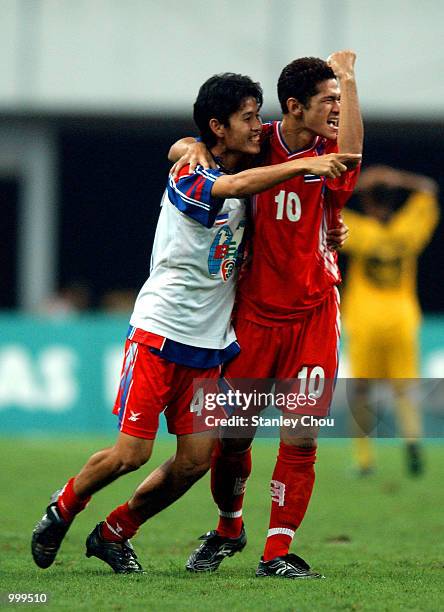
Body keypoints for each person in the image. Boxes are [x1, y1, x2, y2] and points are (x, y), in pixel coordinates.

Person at [31, 72, 359, 574]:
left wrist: (328, 221)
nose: (258, 125)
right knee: (132, 454)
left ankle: (115, 531)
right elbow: (231, 184)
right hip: (161, 331)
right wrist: (298, 163)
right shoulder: (192, 174)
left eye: (257, 115)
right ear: (217, 127)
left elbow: (284, 194)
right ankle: (63, 507)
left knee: (196, 460)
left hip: (212, 341)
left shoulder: (251, 160)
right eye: (248, 118)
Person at [170, 50, 363, 579]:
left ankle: (277, 551)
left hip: (315, 314)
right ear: (295, 107)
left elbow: (350, 154)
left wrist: (348, 77)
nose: (338, 109)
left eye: (342, 101)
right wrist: (186, 145)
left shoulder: (331, 153)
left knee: (301, 436)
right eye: (330, 100)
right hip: (253, 315)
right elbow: (200, 153)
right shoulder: (259, 145)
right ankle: (229, 527)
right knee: (232, 438)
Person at [340, 165, 439, 476]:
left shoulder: (359, 231)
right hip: (401, 317)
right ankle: (412, 441)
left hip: (366, 319)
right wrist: (402, 179)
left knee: (360, 391)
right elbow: (428, 189)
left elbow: (322, 207)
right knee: (404, 388)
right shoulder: (407, 231)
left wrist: (357, 186)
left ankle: (365, 459)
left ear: (368, 202)